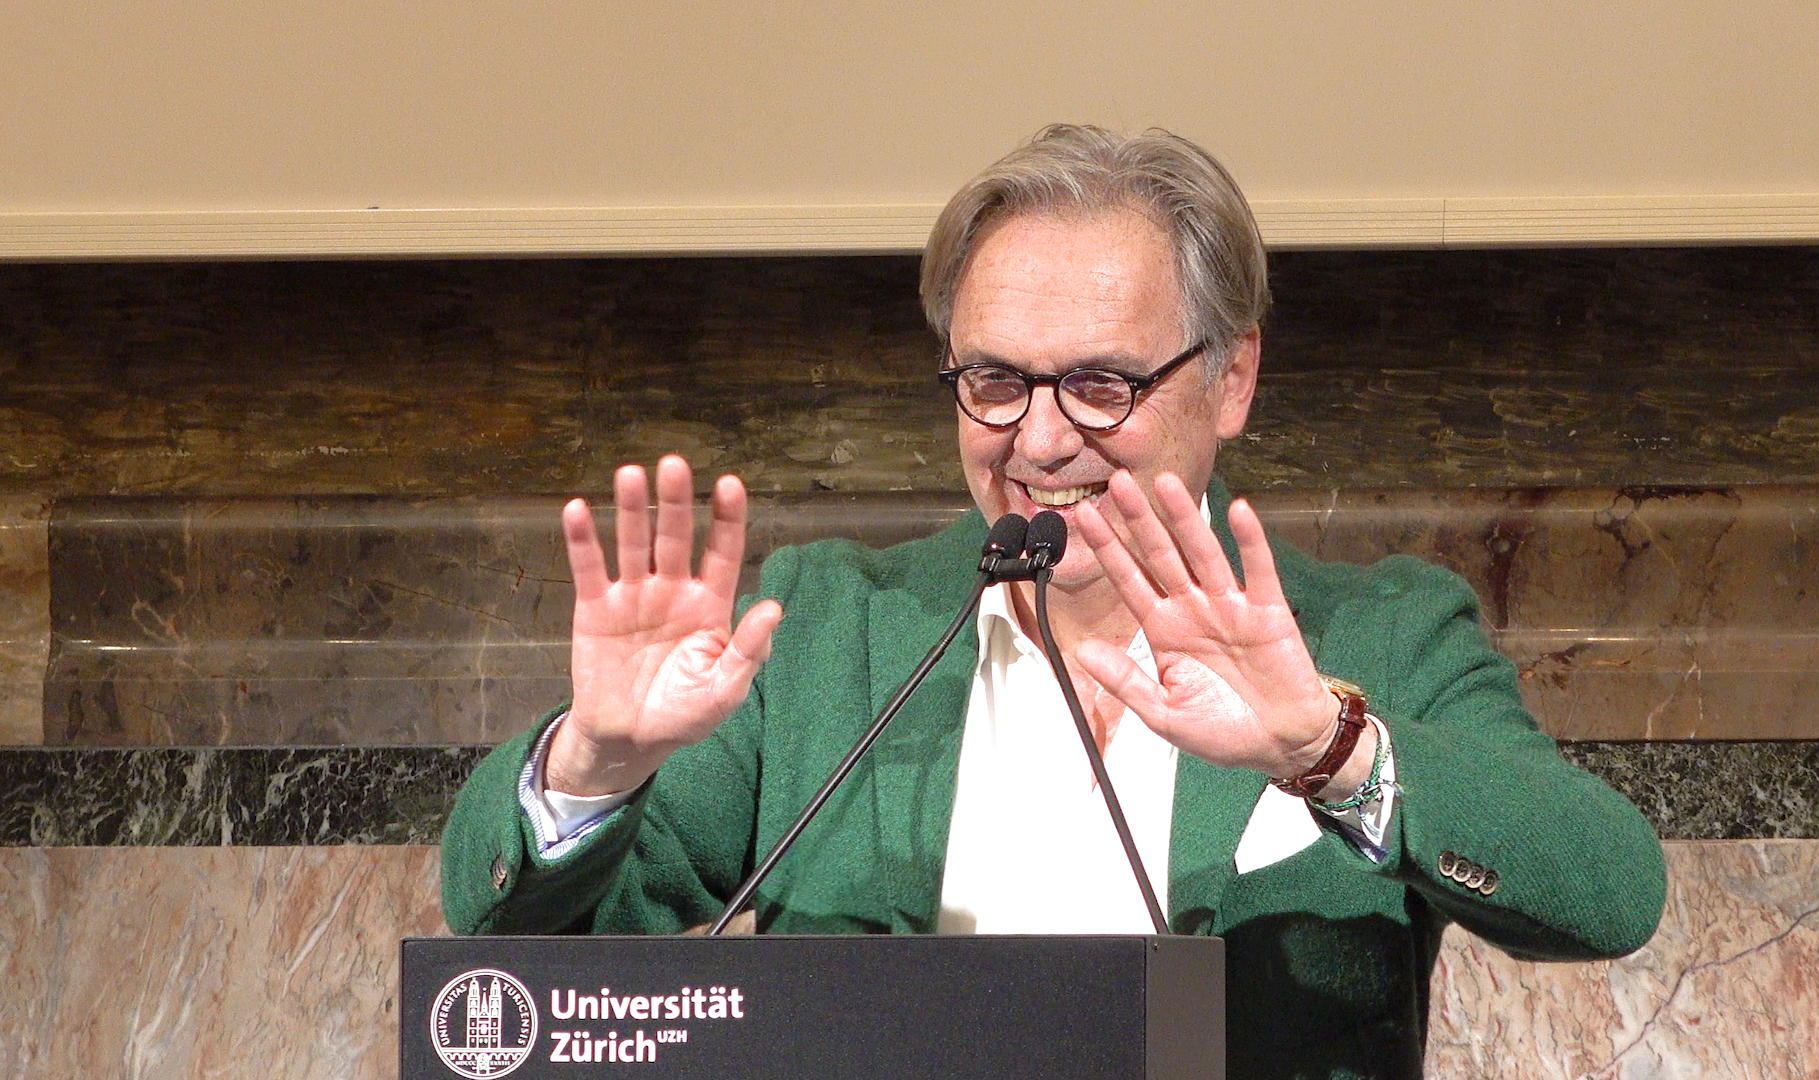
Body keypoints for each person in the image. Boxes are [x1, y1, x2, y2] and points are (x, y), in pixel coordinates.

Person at [442, 125, 1666, 1078]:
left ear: (1232, 376)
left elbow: (1607, 892)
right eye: (992, 381)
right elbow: (530, 951)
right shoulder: (826, 628)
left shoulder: (1379, 633)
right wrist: (593, 767)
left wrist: (1330, 753)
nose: (1036, 440)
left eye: (1100, 385)